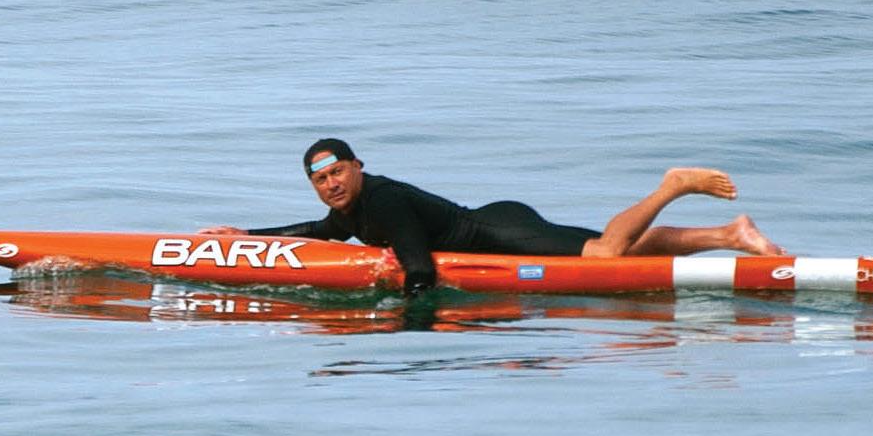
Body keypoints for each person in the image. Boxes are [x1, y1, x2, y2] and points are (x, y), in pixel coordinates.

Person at [220, 137, 778, 295]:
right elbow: (318, 232)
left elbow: (418, 264)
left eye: (338, 172)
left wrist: (408, 310)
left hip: (503, 234)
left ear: (358, 167)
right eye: (320, 181)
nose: (331, 185)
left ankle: (672, 185)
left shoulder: (382, 200)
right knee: (626, 250)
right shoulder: (350, 210)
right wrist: (244, 236)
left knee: (608, 253)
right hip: (499, 224)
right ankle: (731, 235)